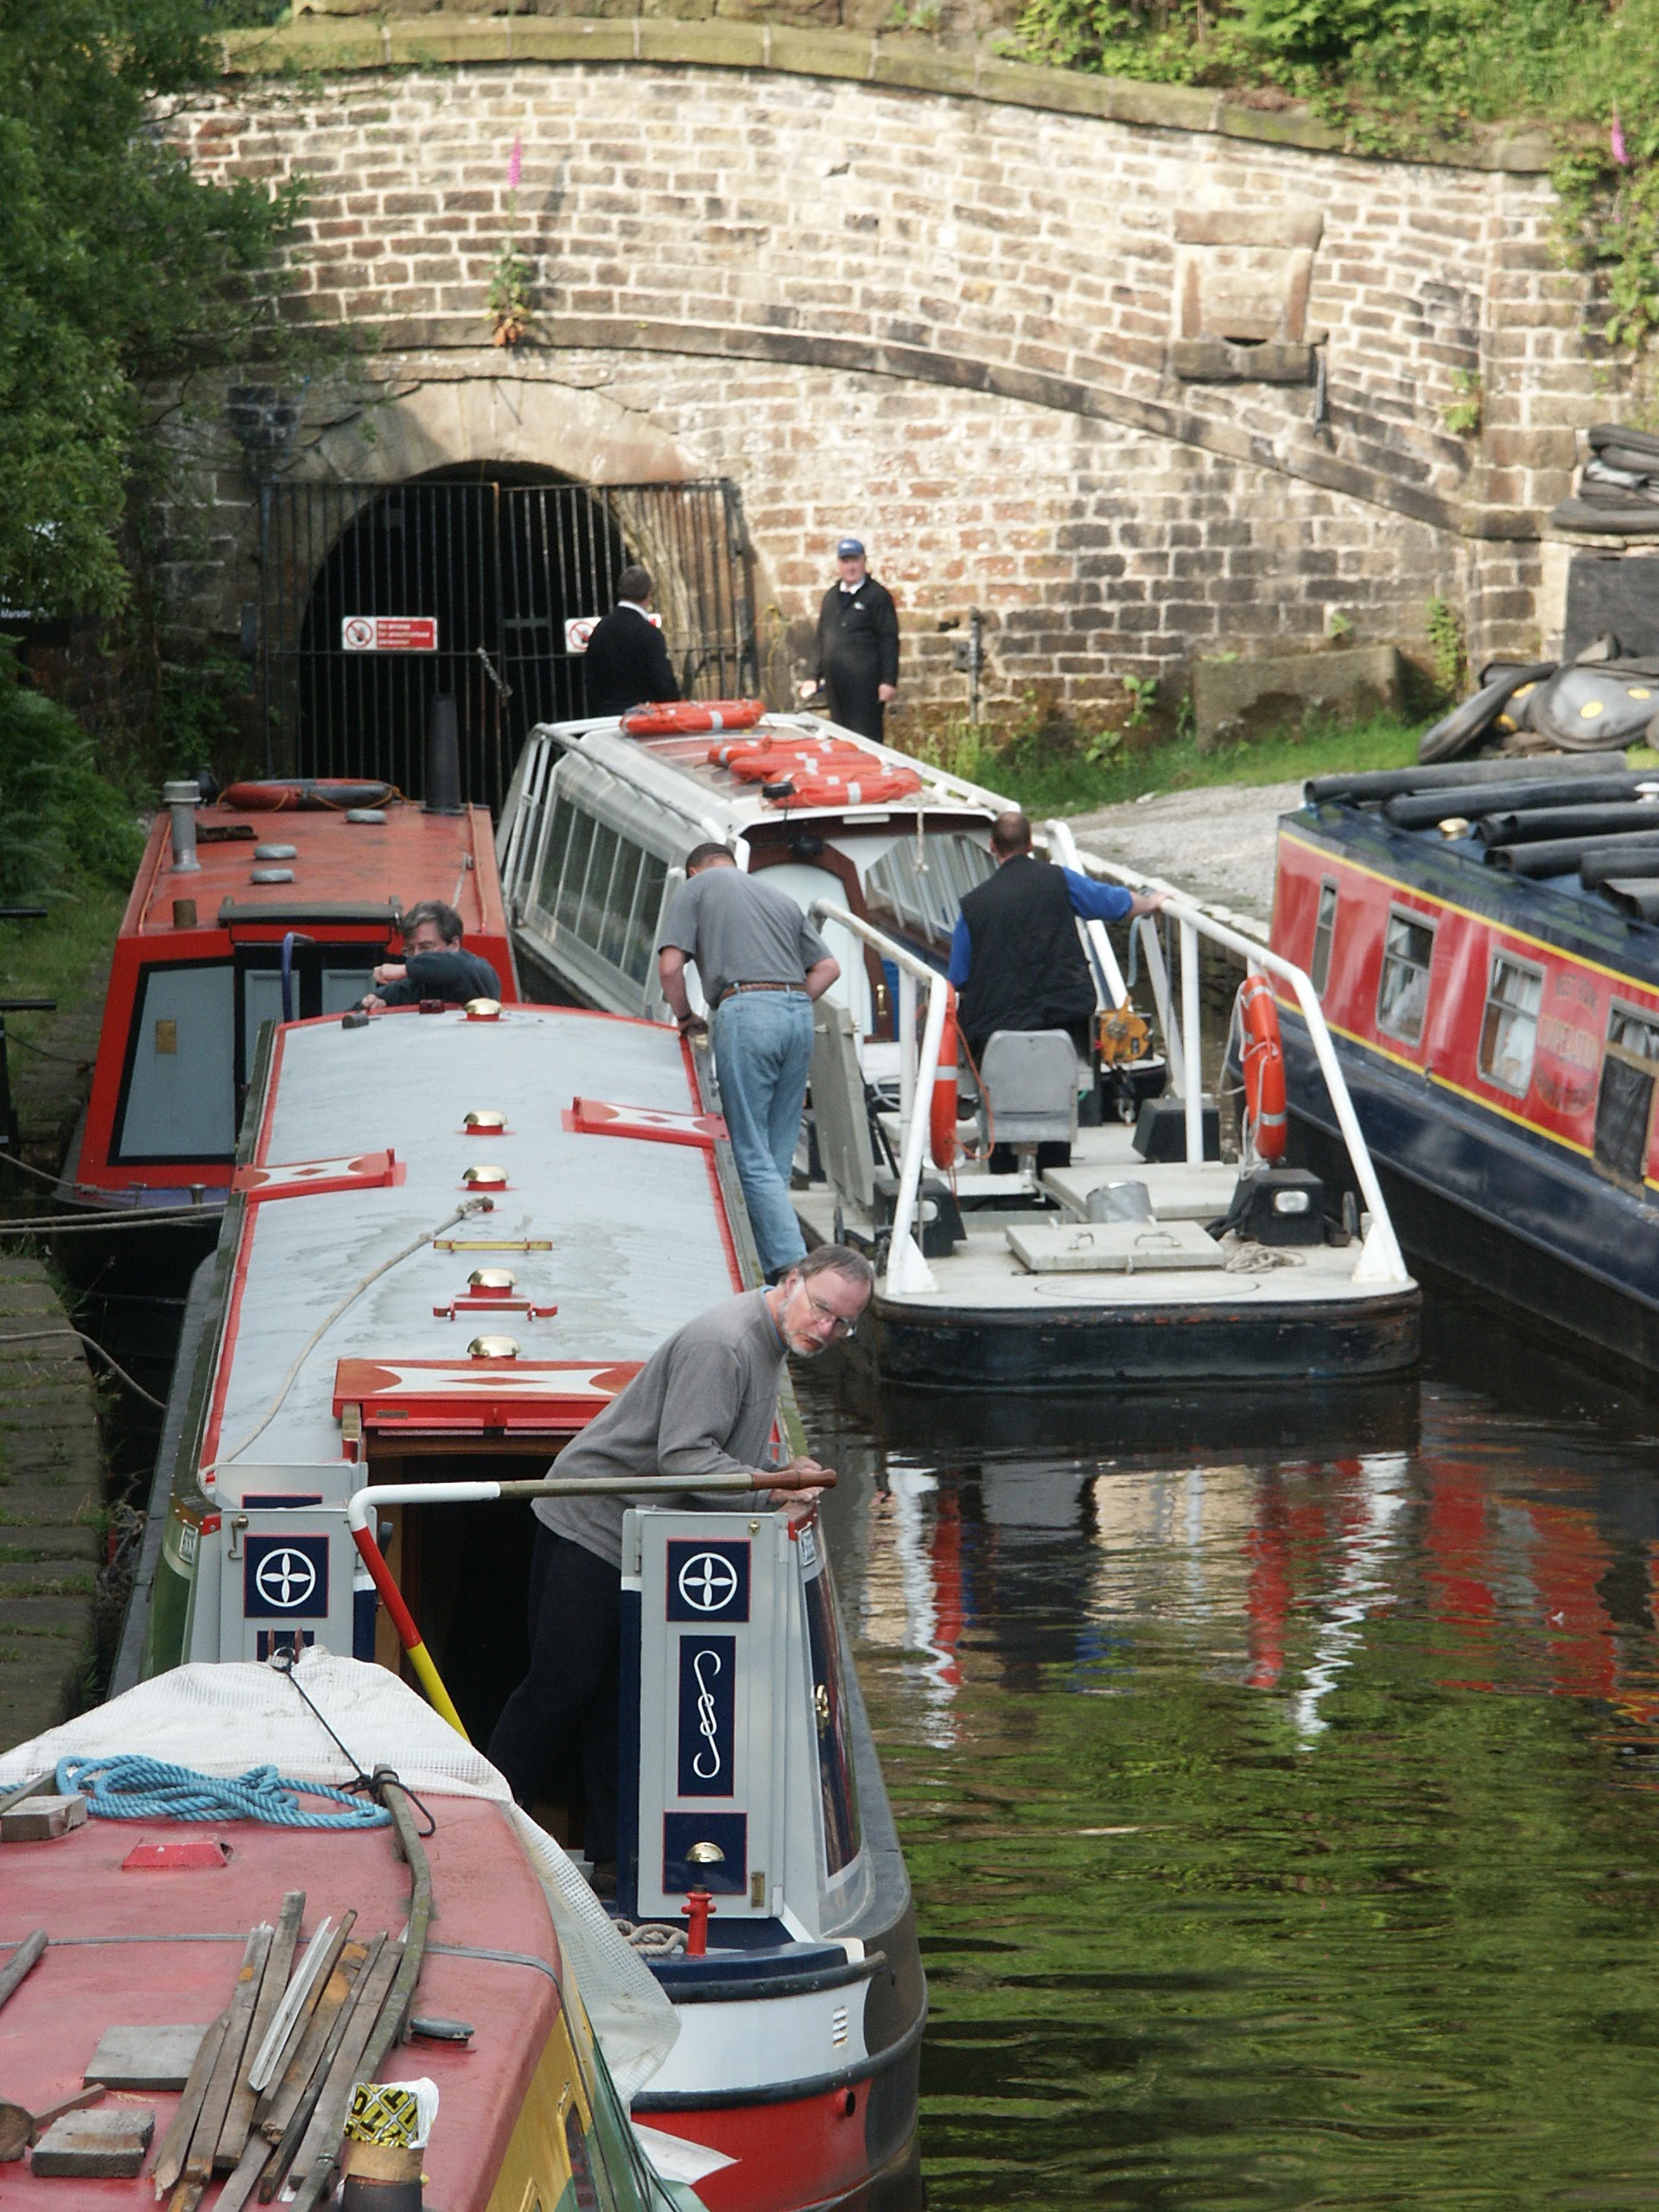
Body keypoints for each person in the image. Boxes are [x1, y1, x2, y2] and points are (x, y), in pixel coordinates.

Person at [486, 1248, 874, 1869]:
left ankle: (615, 1862)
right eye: (822, 1308)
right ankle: (483, 1830)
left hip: (643, 1536)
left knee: (617, 1700)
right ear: (792, 1281)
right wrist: (774, 1489)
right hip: (594, 1525)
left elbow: (717, 1452)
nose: (826, 1329)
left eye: (842, 1324)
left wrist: (776, 1471)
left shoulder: (771, 1341)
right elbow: (686, 1459)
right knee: (560, 1688)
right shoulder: (725, 1345)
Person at [657, 844, 841, 1281]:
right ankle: (768, 1264)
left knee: (750, 1151)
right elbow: (828, 968)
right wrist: (787, 1002)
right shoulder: (779, 897)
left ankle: (793, 1270)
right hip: (798, 1015)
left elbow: (670, 968)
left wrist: (685, 1016)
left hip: (746, 1011)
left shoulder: (697, 887)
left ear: (694, 870)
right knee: (776, 1156)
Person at [949, 810, 1164, 1169]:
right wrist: (1151, 902)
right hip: (1063, 1021)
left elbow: (958, 977)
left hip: (997, 1029)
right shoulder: (1059, 881)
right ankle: (1055, 1163)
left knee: (997, 1082)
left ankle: (1002, 1164)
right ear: (1031, 844)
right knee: (1057, 1079)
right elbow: (1112, 903)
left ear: (992, 847)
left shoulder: (974, 905)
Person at [797, 537, 899, 742]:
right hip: (836, 682)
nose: (851, 567)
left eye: (855, 560)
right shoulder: (831, 597)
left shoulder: (877, 596)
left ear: (864, 561)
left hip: (865, 684)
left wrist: (888, 681)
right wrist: (812, 676)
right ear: (839, 564)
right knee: (840, 737)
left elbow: (889, 640)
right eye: (846, 561)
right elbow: (822, 638)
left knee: (866, 737)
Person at [359, 899, 500, 1011]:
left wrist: (405, 969)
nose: (416, 956)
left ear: (454, 945)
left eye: (426, 947)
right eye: (410, 949)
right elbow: (356, 1011)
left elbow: (463, 967)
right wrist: (375, 1004)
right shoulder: (410, 987)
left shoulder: (478, 975)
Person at [582, 564, 678, 718]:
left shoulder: (600, 630)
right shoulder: (649, 633)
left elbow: (591, 679)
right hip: (643, 719)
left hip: (607, 719)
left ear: (619, 591)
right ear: (649, 594)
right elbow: (663, 682)